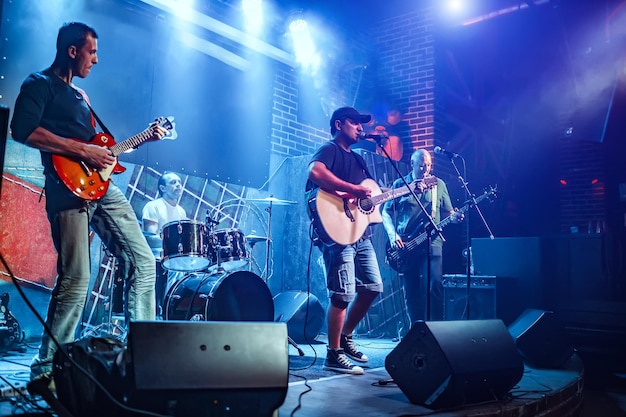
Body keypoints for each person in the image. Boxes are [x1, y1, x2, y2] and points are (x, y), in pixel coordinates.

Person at [10, 22, 168, 388]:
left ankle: (142, 357)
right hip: (66, 192)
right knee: (77, 277)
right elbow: (22, 129)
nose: (95, 60)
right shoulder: (39, 84)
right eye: (91, 52)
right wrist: (82, 150)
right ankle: (48, 369)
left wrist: (142, 139)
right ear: (72, 51)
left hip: (102, 189)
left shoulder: (82, 98)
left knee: (143, 261)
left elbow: (103, 150)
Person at [305, 107, 384, 375]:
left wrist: (376, 201)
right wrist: (352, 189)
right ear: (339, 124)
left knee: (373, 286)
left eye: (362, 124)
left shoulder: (360, 160)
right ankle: (333, 353)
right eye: (355, 123)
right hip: (337, 233)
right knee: (343, 294)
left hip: (360, 234)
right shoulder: (330, 149)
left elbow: (366, 198)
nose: (360, 128)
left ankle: (346, 338)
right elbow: (315, 172)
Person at [381, 149, 463, 326]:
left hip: (432, 241)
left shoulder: (438, 184)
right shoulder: (399, 184)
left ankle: (435, 329)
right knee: (411, 289)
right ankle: (415, 329)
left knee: (434, 285)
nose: (425, 169)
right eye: (421, 165)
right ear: (411, 164)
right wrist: (392, 234)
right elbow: (385, 213)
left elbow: (449, 212)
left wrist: (455, 217)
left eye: (428, 165)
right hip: (406, 244)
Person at [142, 172, 187, 317]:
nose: (178, 185)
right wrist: (172, 244)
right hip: (157, 260)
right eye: (173, 182)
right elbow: (150, 237)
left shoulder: (181, 211)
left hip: (175, 261)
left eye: (179, 182)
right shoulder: (153, 206)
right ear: (162, 188)